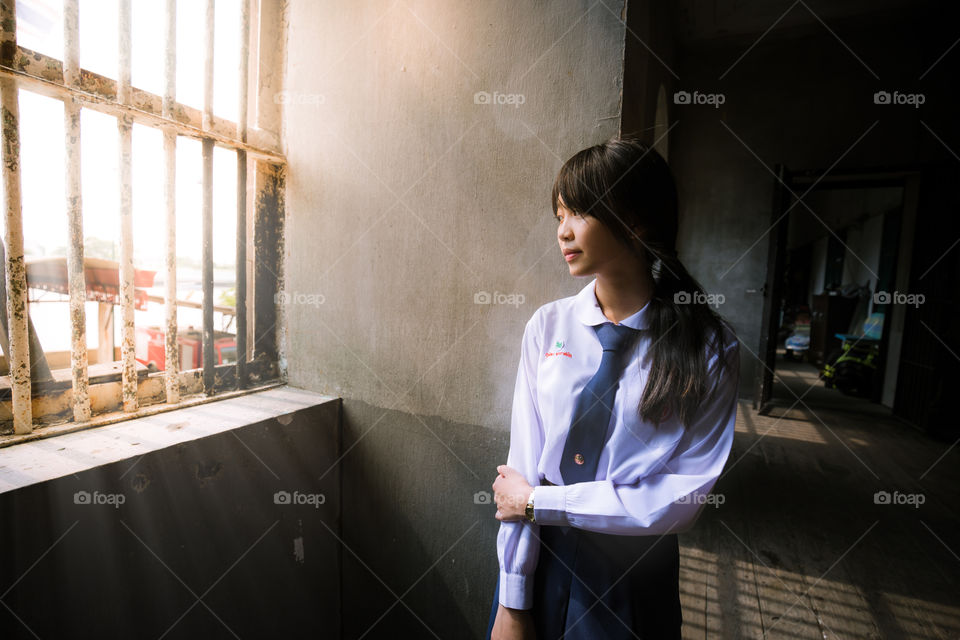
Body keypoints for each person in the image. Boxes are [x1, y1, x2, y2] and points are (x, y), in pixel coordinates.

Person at [486, 136, 740, 639]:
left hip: (634, 571)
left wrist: (542, 503)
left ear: (636, 220)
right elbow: (523, 465)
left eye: (579, 212)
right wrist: (513, 599)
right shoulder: (547, 325)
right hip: (541, 556)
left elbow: (679, 499)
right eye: (559, 215)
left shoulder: (707, 347)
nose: (563, 231)